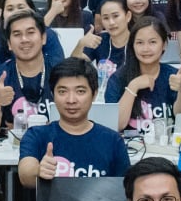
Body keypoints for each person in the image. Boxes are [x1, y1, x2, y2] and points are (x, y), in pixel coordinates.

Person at [17, 58, 131, 187]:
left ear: (94, 94)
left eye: (80, 91)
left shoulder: (113, 140)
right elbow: (25, 175)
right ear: (52, 94)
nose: (71, 100)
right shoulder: (36, 135)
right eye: (62, 91)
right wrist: (38, 171)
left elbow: (124, 189)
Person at [105, 16, 181, 131]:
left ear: (164, 44)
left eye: (153, 42)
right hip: (129, 147)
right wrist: (133, 86)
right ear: (132, 46)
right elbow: (116, 125)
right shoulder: (117, 78)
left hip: (165, 146)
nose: (146, 49)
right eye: (139, 43)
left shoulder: (174, 76)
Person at [0, 10, 54, 134]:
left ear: (43, 38)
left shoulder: (60, 73)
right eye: (17, 34)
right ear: (9, 44)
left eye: (30, 33)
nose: (24, 39)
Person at [76, 0, 131, 84]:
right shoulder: (100, 39)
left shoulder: (138, 40)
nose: (111, 22)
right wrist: (81, 44)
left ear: (128, 16)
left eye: (116, 16)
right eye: (106, 18)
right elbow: (75, 64)